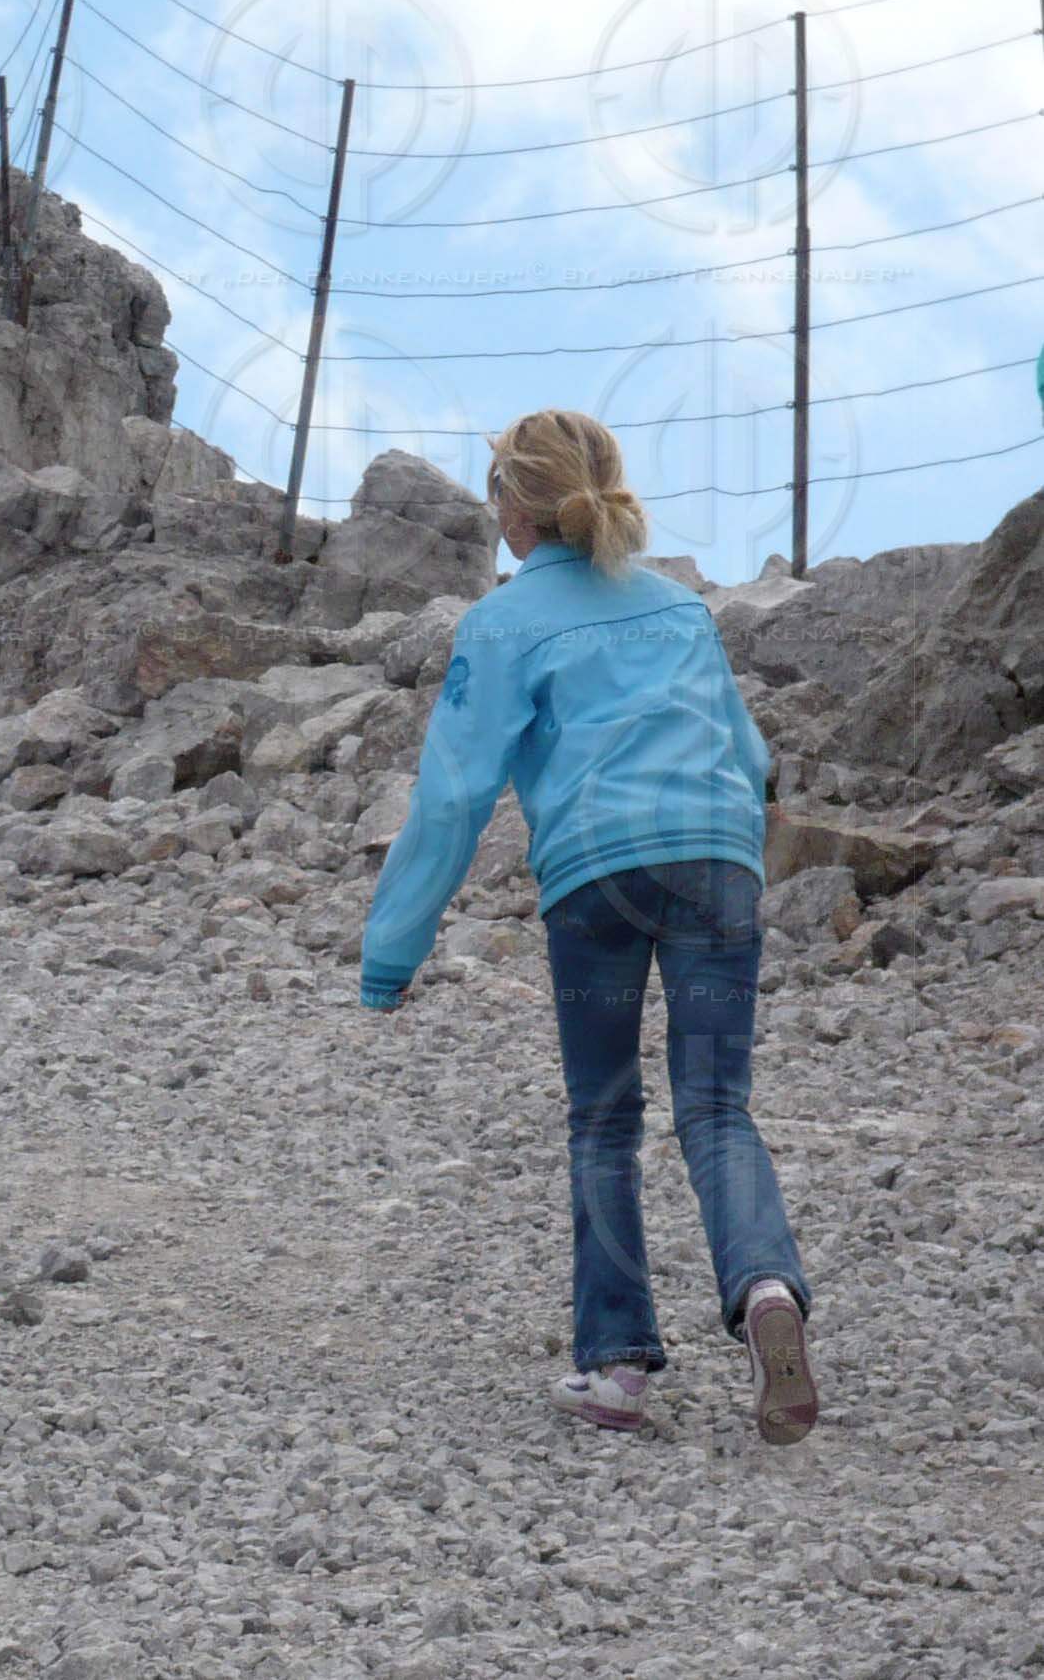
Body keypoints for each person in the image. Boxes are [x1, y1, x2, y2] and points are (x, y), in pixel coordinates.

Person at [357, 409, 817, 1444]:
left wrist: (392, 954)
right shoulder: (681, 611)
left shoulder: (504, 623)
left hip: (599, 879)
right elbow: (750, 757)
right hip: (718, 866)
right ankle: (768, 1296)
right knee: (717, 1107)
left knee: (605, 1118)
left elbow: (451, 799)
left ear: (517, 508)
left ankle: (616, 1368)